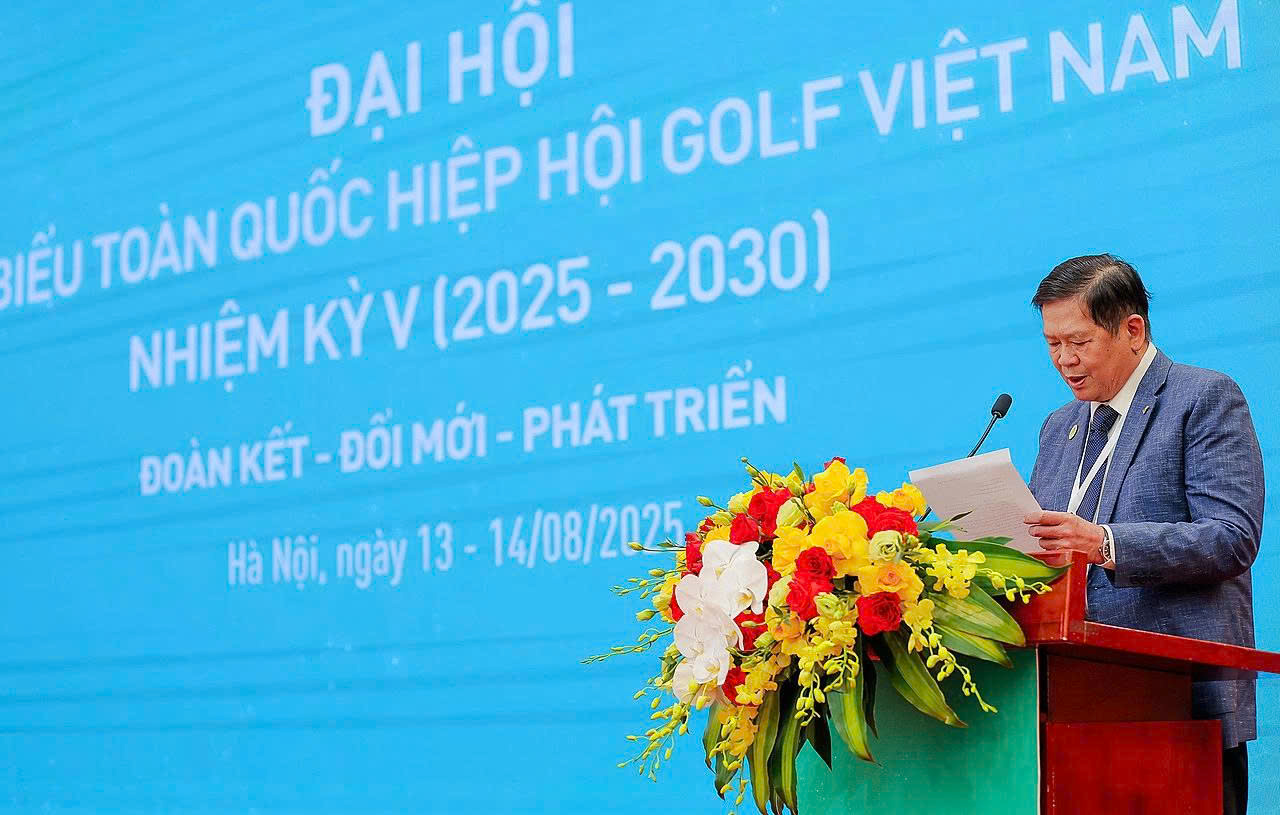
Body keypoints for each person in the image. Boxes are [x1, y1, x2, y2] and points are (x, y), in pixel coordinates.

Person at [1021, 254, 1263, 815]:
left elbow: (1231, 537)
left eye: (1078, 342)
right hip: (1068, 705)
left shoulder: (1202, 399)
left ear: (1133, 330)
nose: (1064, 360)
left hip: (1180, 705)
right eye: (1052, 344)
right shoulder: (1058, 428)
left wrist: (1105, 544)